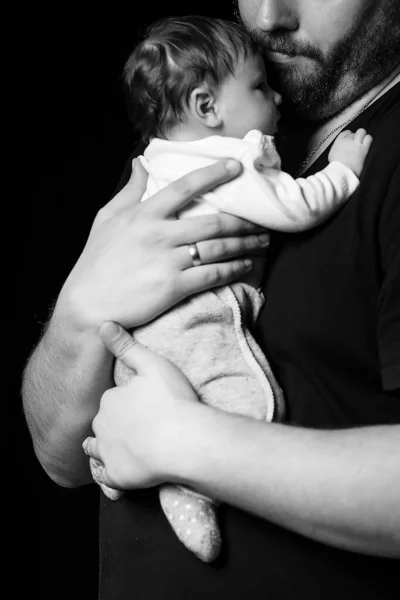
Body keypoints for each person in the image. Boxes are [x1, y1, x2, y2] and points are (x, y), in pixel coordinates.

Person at [22, 1, 400, 599]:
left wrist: (180, 443)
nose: (270, 16)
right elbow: (62, 458)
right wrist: (81, 311)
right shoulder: (197, 147)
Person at [89, 14, 372, 564]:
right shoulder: (229, 161)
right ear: (206, 108)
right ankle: (185, 489)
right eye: (260, 88)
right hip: (199, 312)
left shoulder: (157, 160)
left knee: (138, 393)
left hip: (145, 324)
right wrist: (343, 171)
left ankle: (112, 464)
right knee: (239, 399)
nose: (278, 99)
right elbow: (294, 206)